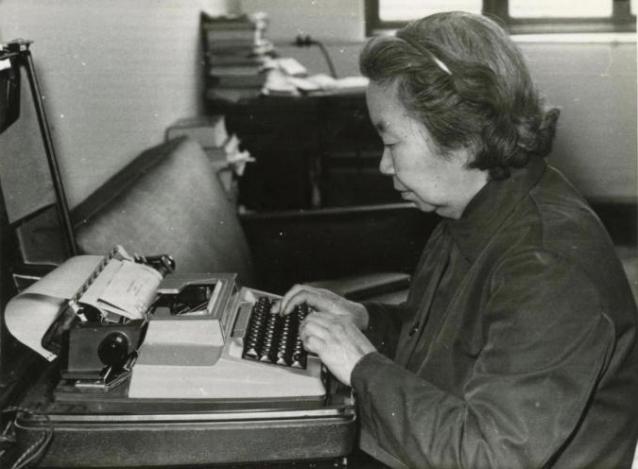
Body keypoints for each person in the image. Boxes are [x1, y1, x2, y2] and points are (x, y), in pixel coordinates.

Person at [275, 11, 638, 469]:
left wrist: (361, 365)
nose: (384, 166)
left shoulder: (547, 266)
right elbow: (454, 343)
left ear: (463, 136)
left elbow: (488, 456)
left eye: (392, 143)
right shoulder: (471, 210)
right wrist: (364, 322)